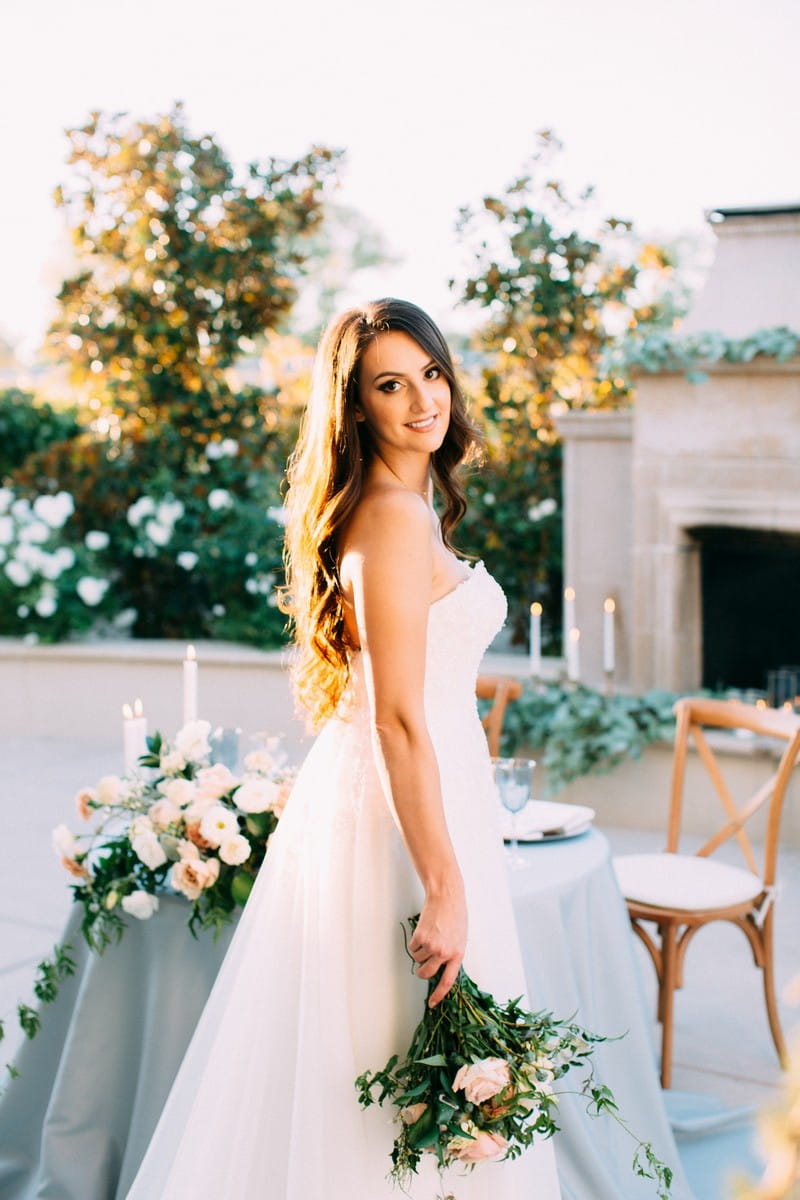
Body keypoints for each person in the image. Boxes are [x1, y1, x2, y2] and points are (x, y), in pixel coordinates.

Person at [127, 299, 561, 1198]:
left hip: (424, 791)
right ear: (355, 406)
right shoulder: (394, 518)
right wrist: (444, 884)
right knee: (384, 1049)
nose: (421, 402)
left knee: (396, 1053)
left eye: (431, 374)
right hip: (406, 812)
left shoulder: (406, 509)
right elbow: (399, 718)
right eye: (390, 385)